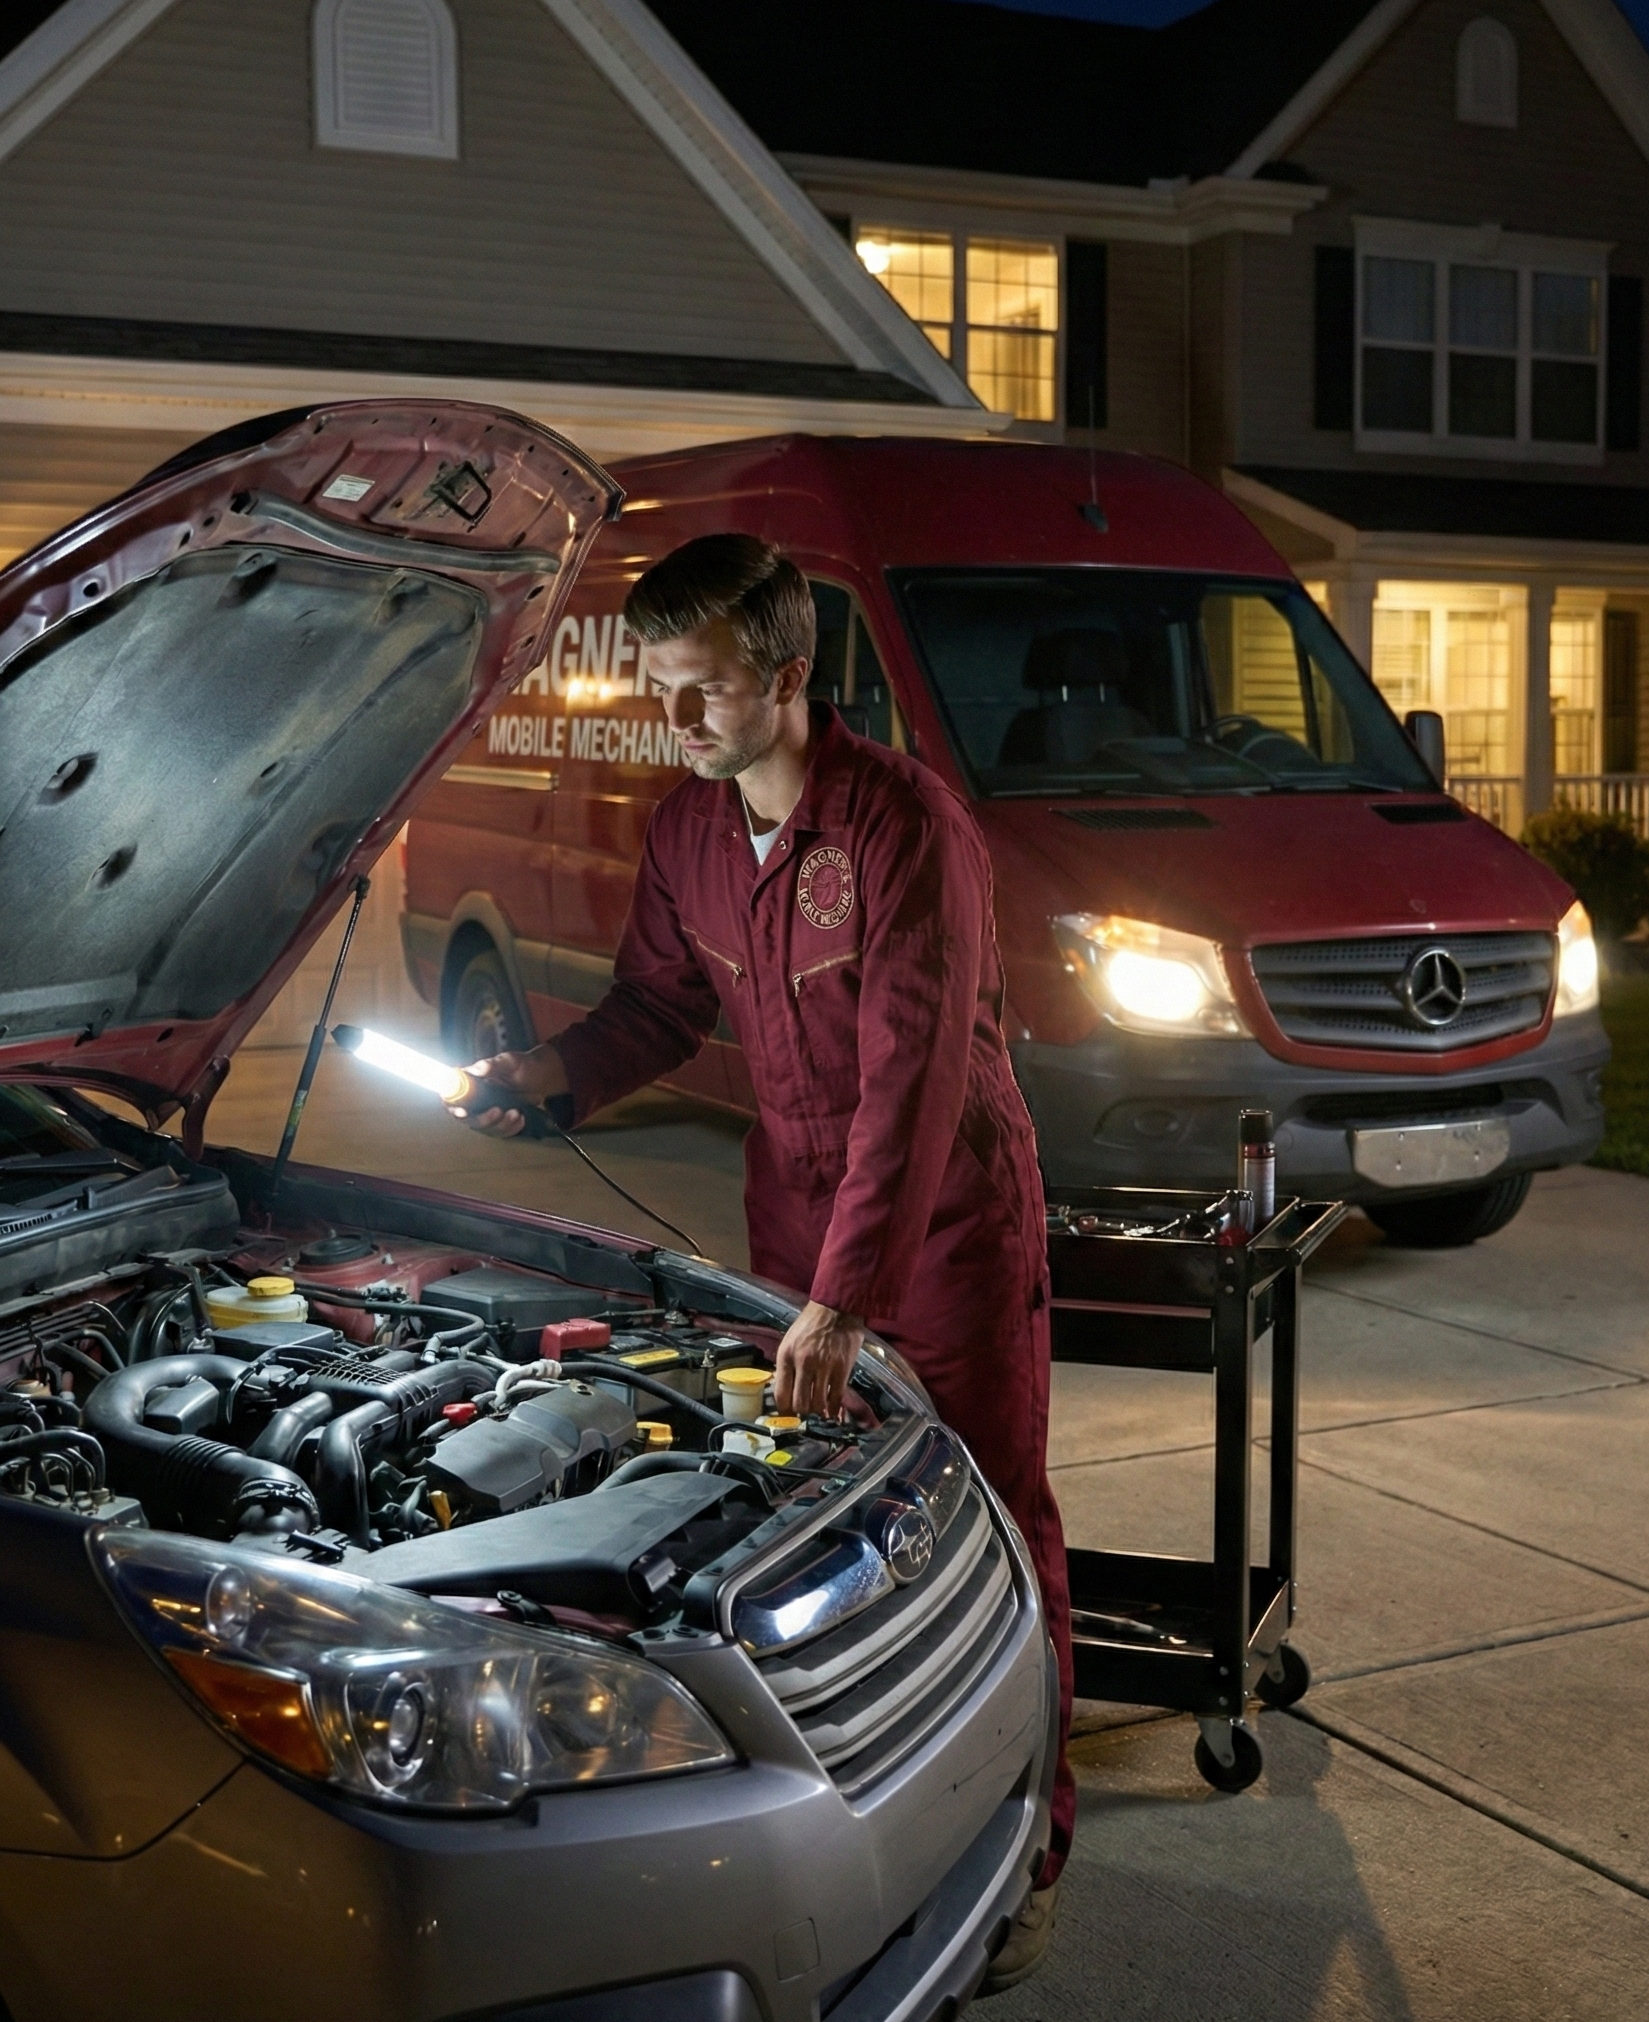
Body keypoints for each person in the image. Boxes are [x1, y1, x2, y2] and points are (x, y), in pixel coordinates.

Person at [456, 535, 1072, 1987]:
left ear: (791, 677)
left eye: (705, 689)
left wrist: (844, 1300)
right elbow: (656, 1007)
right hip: (796, 1223)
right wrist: (547, 1073)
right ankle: (880, 1794)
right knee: (820, 1530)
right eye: (658, 689)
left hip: (946, 1227)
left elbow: (914, 1085)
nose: (675, 725)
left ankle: (1034, 1832)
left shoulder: (904, 831)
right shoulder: (686, 834)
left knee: (992, 1520)